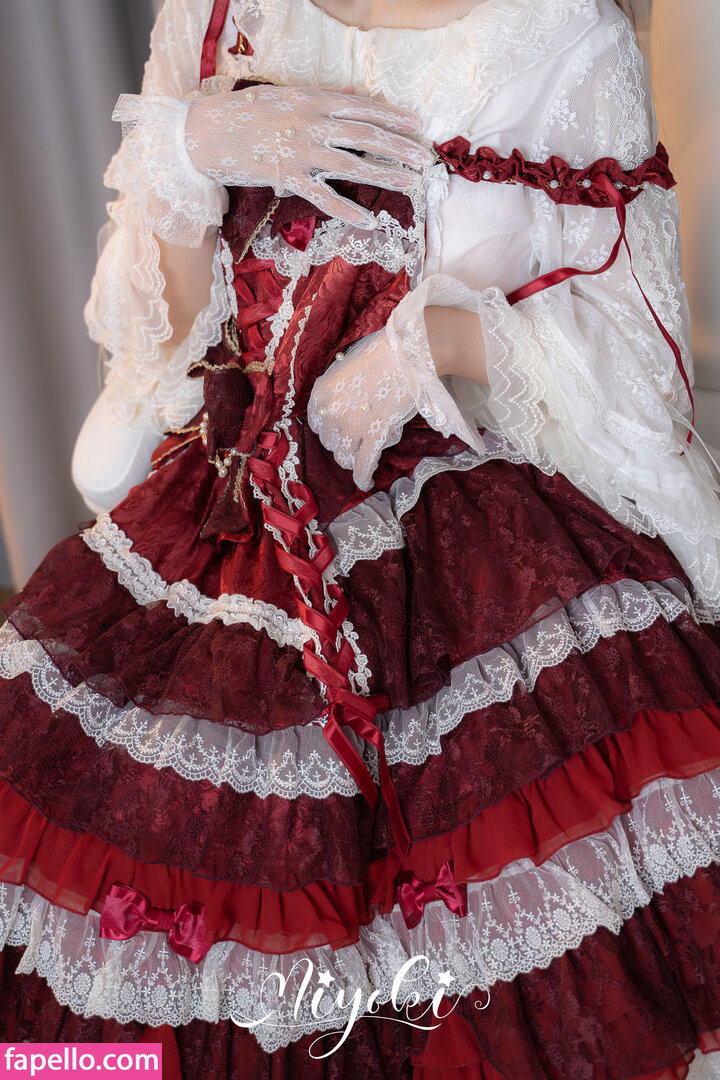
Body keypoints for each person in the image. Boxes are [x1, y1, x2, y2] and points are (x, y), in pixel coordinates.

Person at [2, 0, 720, 1076]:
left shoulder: (563, 32)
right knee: (114, 984)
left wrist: (439, 343)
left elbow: (643, 360)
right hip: (226, 522)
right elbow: (158, 347)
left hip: (476, 535)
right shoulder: (217, 12)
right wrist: (185, 153)